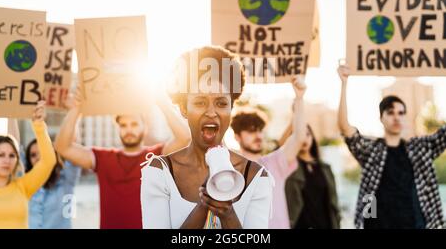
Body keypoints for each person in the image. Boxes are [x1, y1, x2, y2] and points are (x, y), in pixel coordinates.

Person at [140, 46, 273, 229]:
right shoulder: (159, 172)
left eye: (221, 103)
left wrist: (228, 215)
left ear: (231, 108)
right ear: (184, 109)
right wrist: (205, 205)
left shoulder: (256, 177)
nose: (211, 112)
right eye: (200, 102)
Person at [54, 88, 191, 229]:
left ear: (145, 127)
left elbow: (185, 137)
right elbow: (63, 147)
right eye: (123, 125)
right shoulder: (103, 158)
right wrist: (75, 111)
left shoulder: (156, 156)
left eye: (134, 124)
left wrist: (163, 104)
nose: (129, 130)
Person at [338, 63, 446, 229]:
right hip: (378, 224)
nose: (396, 117)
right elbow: (345, 128)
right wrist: (344, 83)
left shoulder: (420, 149)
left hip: (415, 224)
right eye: (390, 112)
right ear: (381, 118)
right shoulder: (372, 150)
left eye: (401, 113)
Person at [231, 76, 306, 229]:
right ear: (237, 136)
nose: (258, 136)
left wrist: (299, 98)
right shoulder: (229, 168)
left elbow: (299, 137)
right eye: (251, 131)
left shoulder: (274, 162)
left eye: (260, 131)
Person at [0, 101, 56, 229]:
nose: (7, 160)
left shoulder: (23, 186)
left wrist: (38, 124)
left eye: (12, 155)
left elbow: (49, 161)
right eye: (1, 155)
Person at [285, 124, 341, 229]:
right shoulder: (289, 167)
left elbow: (334, 204)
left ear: (312, 137)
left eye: (307, 134)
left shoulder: (325, 168)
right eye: (299, 135)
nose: (304, 138)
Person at [25, 138, 81, 229]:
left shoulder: (66, 179)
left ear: (52, 154)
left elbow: (72, 146)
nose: (38, 157)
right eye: (33, 155)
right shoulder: (25, 183)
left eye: (42, 152)